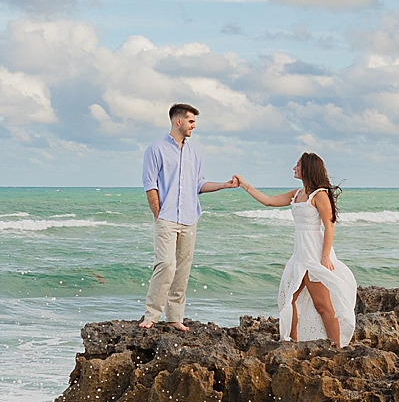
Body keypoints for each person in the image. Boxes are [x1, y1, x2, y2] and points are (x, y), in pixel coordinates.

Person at [235, 152, 356, 346]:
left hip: (314, 254)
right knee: (287, 299)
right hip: (299, 255)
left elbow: (329, 225)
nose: (294, 168)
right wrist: (245, 185)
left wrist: (325, 257)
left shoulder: (320, 195)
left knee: (323, 305)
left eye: (297, 165)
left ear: (307, 168)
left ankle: (337, 347)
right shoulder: (297, 194)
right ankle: (292, 342)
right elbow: (268, 201)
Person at [139, 103, 237, 330]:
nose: (194, 126)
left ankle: (175, 318)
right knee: (165, 264)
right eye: (191, 121)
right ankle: (151, 315)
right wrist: (158, 213)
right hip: (167, 217)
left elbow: (199, 184)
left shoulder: (195, 153)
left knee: (183, 269)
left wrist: (224, 185)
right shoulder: (156, 149)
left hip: (190, 217)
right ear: (178, 121)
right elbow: (150, 184)